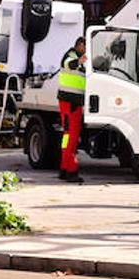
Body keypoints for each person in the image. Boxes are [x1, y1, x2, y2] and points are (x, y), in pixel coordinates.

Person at [58, 37, 87, 182]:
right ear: (79, 45)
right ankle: (71, 171)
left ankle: (64, 168)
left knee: (67, 136)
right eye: (85, 46)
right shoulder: (71, 56)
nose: (86, 49)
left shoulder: (76, 57)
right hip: (71, 102)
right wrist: (80, 62)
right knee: (72, 137)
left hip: (70, 102)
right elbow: (68, 64)